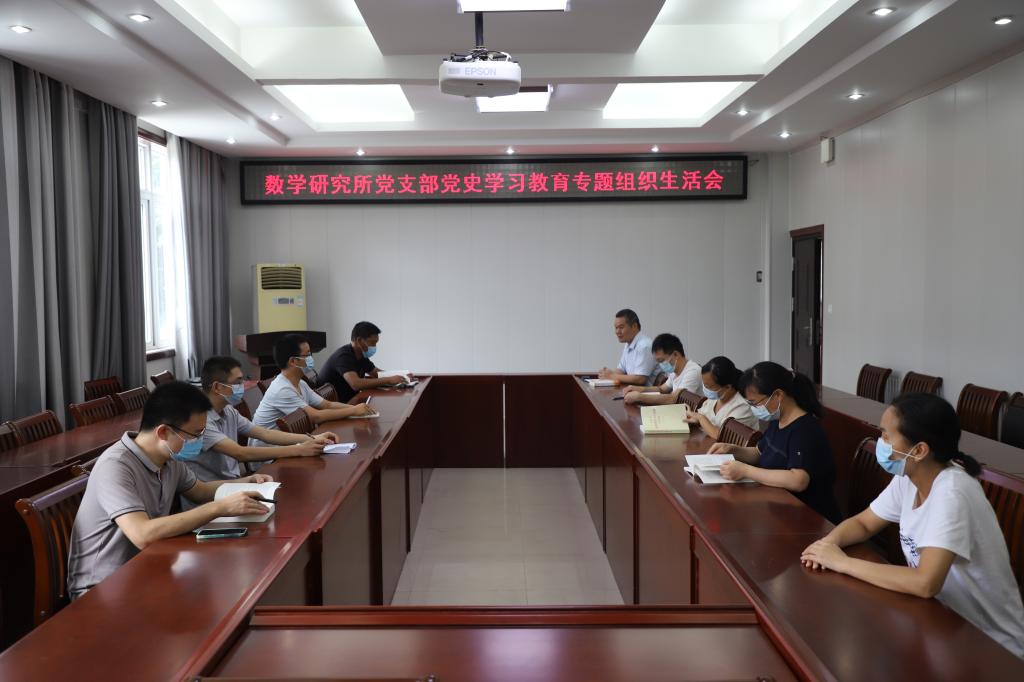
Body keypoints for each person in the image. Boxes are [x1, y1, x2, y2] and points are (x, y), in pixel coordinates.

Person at [801, 393, 1024, 658]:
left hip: (991, 646)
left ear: (919, 450)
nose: (881, 442)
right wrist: (826, 546)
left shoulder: (953, 493)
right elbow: (864, 523)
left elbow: (925, 582)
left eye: (886, 436)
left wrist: (842, 563)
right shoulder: (909, 478)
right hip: (941, 622)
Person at [67, 382, 275, 599]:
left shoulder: (169, 459)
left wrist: (246, 481)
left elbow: (201, 490)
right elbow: (142, 534)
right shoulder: (116, 466)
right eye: (195, 434)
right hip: (101, 589)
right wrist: (219, 508)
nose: (199, 441)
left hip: (147, 569)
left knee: (226, 584)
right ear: (164, 432)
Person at [182, 356, 338, 494]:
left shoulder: (228, 410)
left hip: (234, 486)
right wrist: (299, 449)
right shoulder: (201, 420)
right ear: (217, 387)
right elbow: (240, 453)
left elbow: (265, 433)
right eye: (237, 382)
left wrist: (311, 438)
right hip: (212, 495)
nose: (242, 386)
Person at [709, 361, 841, 524]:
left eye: (755, 403)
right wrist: (733, 450)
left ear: (778, 395)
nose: (754, 408)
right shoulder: (777, 420)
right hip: (781, 507)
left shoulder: (804, 430)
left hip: (810, 517)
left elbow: (798, 480)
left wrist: (745, 470)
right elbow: (760, 452)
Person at [250, 334, 376, 446]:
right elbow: (316, 416)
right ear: (293, 361)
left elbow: (327, 404)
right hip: (269, 454)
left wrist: (359, 409)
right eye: (307, 354)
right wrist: (353, 410)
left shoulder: (300, 383)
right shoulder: (282, 389)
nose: (311, 358)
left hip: (290, 444)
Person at [319, 321, 408, 404]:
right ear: (359, 340)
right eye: (373, 343)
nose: (374, 347)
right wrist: (389, 380)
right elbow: (356, 384)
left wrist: (403, 376)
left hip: (350, 401)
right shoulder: (343, 356)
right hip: (336, 406)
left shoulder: (361, 355)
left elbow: (377, 373)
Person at [682, 356, 759, 439]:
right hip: (708, 442)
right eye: (704, 385)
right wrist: (695, 419)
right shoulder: (715, 398)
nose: (705, 389)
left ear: (727, 387)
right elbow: (702, 415)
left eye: (709, 387)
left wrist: (701, 418)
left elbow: (722, 435)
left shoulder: (744, 405)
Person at [622, 333, 701, 405]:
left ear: (675, 354)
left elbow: (674, 398)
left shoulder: (693, 371)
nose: (661, 365)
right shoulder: (674, 371)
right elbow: (662, 389)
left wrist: (640, 397)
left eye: (662, 360)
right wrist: (638, 389)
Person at [598, 309, 656, 386]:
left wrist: (612, 376)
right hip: (634, 389)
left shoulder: (644, 346)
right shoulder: (628, 344)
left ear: (634, 326)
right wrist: (606, 373)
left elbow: (640, 379)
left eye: (621, 327)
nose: (617, 332)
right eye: (616, 328)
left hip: (648, 391)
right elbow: (621, 369)